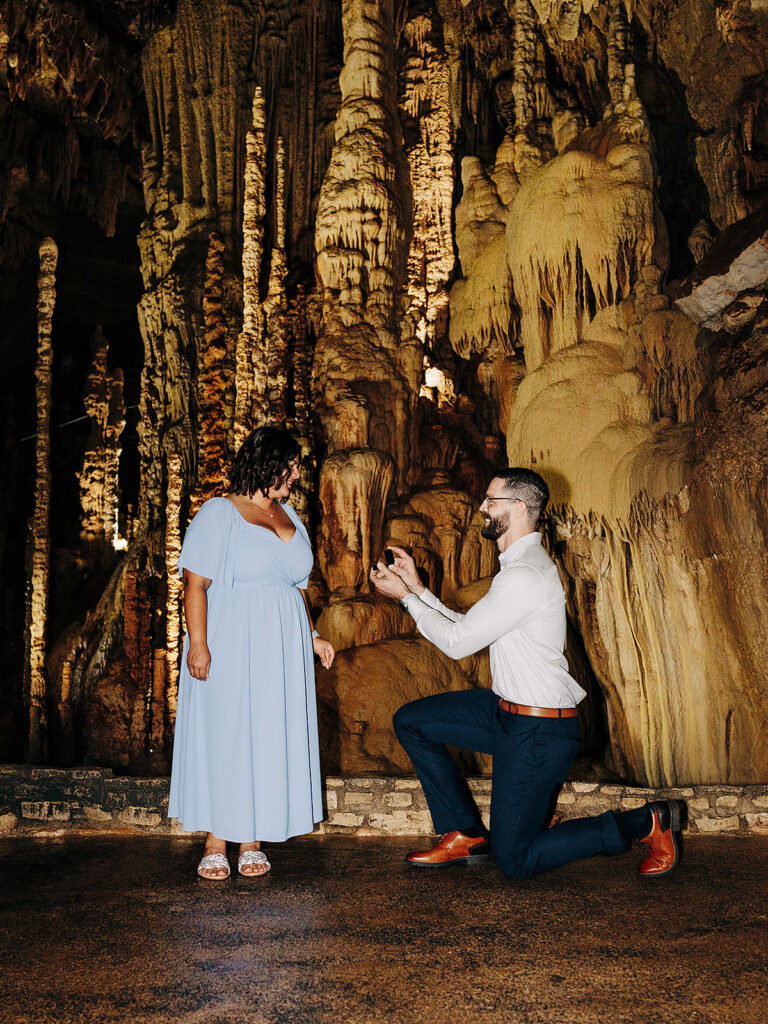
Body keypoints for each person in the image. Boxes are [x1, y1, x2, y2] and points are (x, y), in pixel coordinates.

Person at [370, 467, 684, 880]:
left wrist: (406, 600)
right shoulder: (518, 568)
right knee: (413, 722)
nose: (481, 507)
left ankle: (647, 822)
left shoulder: (524, 575)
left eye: (490, 501)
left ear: (518, 508)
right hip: (507, 714)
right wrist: (418, 590)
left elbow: (458, 643)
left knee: (514, 860)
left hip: (538, 731)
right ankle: (464, 833)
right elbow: (468, 628)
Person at [169, 426, 335, 879]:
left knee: (266, 733)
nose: (297, 473)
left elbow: (298, 590)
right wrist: (199, 645)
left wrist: (312, 635)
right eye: (291, 464)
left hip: (280, 650)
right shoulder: (220, 513)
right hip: (232, 639)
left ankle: (253, 839)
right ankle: (216, 840)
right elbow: (195, 584)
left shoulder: (292, 517)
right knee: (229, 734)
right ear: (266, 464)